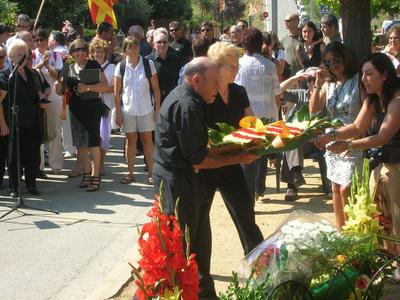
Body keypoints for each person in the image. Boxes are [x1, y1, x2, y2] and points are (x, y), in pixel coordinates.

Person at [152, 57, 258, 299]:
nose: (217, 89)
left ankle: (204, 294)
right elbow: (199, 159)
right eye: (213, 84)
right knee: (183, 246)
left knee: (200, 243)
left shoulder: (193, 98)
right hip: (177, 184)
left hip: (188, 181)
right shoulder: (187, 106)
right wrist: (239, 157)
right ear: (196, 80)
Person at [314, 53, 400, 251]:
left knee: (397, 220)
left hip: (396, 168)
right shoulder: (372, 100)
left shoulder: (396, 101)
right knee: (380, 219)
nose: (363, 79)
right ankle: (390, 259)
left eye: (369, 74)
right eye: (362, 74)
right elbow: (356, 127)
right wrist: (331, 136)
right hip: (380, 167)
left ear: (385, 75)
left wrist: (348, 146)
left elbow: (382, 138)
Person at [205, 41, 264, 255]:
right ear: (217, 68)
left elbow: (251, 122)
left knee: (246, 215)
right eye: (233, 66)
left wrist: (262, 137)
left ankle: (260, 263)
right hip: (207, 165)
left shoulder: (238, 91)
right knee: (199, 222)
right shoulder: (204, 95)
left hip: (232, 164)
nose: (237, 69)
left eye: (237, 65)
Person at [309, 41, 362, 228]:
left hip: (352, 138)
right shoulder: (328, 84)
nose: (333, 66)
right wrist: (317, 83)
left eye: (336, 60)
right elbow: (314, 110)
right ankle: (340, 233)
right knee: (335, 188)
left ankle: (352, 233)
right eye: (329, 62)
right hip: (330, 140)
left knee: (347, 188)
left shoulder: (358, 80)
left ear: (346, 59)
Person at [235, 27, 281, 203]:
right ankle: (258, 190)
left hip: (246, 118)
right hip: (267, 115)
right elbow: (277, 93)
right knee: (261, 154)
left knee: (248, 158)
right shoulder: (269, 65)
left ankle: (249, 194)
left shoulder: (239, 64)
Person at [58, 39, 108, 192]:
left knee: (93, 143)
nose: (80, 52)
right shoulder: (68, 67)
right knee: (80, 144)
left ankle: (95, 176)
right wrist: (57, 86)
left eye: (82, 49)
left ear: (87, 51)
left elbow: (105, 86)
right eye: (76, 50)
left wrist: (87, 88)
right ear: (72, 53)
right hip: (75, 109)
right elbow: (61, 91)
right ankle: (86, 174)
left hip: (92, 107)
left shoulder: (94, 65)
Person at [114, 36, 160, 185]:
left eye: (136, 46)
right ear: (125, 50)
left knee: (148, 141)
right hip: (127, 110)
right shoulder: (120, 67)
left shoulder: (148, 64)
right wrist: (118, 114)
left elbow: (156, 89)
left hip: (146, 109)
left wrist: (157, 109)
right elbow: (117, 92)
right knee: (130, 142)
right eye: (130, 47)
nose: (133, 49)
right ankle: (130, 173)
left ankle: (152, 174)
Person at [0, 40, 44, 196]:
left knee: (32, 155)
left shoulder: (31, 74)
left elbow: (37, 95)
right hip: (13, 123)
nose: (23, 57)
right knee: (14, 157)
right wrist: (3, 124)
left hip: (32, 121)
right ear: (11, 56)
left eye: (24, 54)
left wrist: (41, 102)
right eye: (19, 54)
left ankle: (31, 185)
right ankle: (15, 187)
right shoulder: (5, 75)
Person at [279, 67, 319, 201]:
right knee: (291, 138)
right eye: (309, 80)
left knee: (292, 139)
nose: (312, 83)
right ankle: (296, 175)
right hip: (297, 139)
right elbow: (277, 91)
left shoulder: (327, 96)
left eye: (315, 79)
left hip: (316, 140)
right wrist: (294, 79)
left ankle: (292, 185)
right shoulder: (301, 94)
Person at [32, 29, 64, 175]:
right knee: (37, 130)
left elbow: (58, 76)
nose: (39, 43)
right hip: (38, 95)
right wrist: (40, 65)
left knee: (55, 130)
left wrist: (46, 66)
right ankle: (38, 166)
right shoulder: (31, 54)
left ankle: (56, 164)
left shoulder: (56, 55)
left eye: (42, 40)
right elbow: (30, 73)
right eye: (37, 40)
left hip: (54, 95)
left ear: (47, 41)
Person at [90, 37, 115, 176]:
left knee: (103, 137)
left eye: (100, 51)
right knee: (93, 137)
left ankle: (101, 164)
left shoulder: (112, 68)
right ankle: (93, 165)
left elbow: (116, 88)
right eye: (95, 51)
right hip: (91, 106)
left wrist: (99, 89)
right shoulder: (89, 66)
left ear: (105, 53)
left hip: (106, 107)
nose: (98, 54)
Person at [146, 30, 184, 104]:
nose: (162, 44)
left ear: (168, 43)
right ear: (153, 44)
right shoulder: (147, 61)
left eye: (165, 42)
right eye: (159, 42)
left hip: (173, 99)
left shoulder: (176, 59)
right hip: (154, 101)